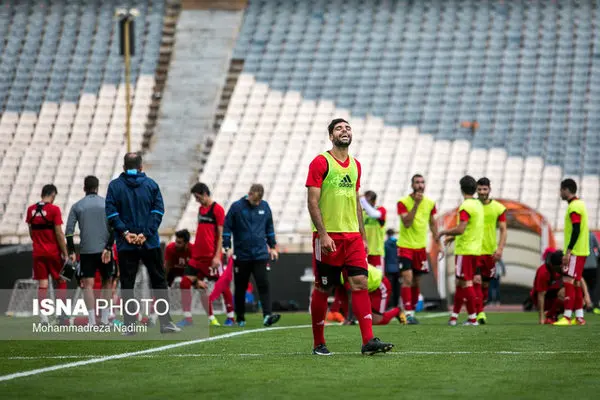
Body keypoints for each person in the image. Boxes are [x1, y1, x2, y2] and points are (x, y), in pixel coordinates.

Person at [306, 118, 393, 356]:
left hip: (353, 237)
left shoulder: (356, 165)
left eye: (347, 128)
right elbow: (312, 202)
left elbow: (356, 203)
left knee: (360, 283)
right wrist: (323, 234)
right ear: (331, 136)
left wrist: (362, 237)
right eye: (338, 128)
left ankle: (368, 341)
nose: (344, 131)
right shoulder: (320, 162)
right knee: (324, 288)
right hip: (328, 237)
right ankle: (318, 343)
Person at [105, 152, 179, 334]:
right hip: (150, 242)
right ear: (141, 167)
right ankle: (165, 323)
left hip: (126, 243)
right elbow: (158, 211)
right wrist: (146, 234)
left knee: (127, 284)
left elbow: (111, 213)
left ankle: (130, 326)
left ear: (124, 167)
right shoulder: (151, 185)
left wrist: (126, 233)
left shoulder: (114, 186)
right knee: (159, 282)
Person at [223, 183, 280, 327]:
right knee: (240, 287)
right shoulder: (237, 207)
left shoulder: (265, 207)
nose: (257, 203)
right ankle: (240, 317)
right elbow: (227, 227)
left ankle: (267, 316)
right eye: (255, 200)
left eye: (259, 201)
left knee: (264, 284)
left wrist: (273, 247)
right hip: (242, 255)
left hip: (260, 254)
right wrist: (227, 246)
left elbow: (269, 228)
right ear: (249, 194)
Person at [178, 183, 234, 327]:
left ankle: (231, 317)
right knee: (185, 283)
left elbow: (220, 235)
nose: (196, 200)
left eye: (197, 197)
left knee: (222, 285)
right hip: (197, 257)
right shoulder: (201, 209)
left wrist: (217, 256)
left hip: (211, 256)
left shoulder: (218, 210)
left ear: (204, 193)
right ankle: (193, 318)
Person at [65, 176, 115, 326]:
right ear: (97, 187)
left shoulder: (77, 206)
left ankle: (92, 321)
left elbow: (69, 231)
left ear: (84, 188)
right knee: (107, 282)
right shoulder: (107, 204)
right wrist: (109, 247)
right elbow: (114, 228)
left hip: (86, 251)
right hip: (105, 251)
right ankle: (105, 320)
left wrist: (71, 251)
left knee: (88, 284)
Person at [438, 175, 484, 326]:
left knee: (466, 284)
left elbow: (461, 229)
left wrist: (444, 232)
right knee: (460, 282)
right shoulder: (478, 205)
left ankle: (472, 318)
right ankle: (454, 317)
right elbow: (470, 228)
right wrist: (452, 238)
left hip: (465, 250)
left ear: (461, 189)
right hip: (475, 250)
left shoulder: (465, 206)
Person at [397, 174, 440, 324]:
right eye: (417, 182)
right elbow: (407, 223)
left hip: (420, 248)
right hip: (405, 246)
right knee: (407, 278)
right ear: (412, 185)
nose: (420, 185)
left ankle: (412, 311)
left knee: (416, 280)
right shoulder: (403, 202)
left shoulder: (430, 203)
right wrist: (415, 204)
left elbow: (433, 223)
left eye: (422, 182)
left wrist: (438, 242)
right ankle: (408, 312)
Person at [26, 184, 69, 325]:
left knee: (43, 284)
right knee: (61, 281)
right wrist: (65, 253)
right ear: (53, 195)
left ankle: (43, 318)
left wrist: (39, 243)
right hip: (53, 253)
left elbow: (31, 232)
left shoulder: (30, 210)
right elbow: (59, 233)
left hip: (38, 253)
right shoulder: (54, 209)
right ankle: (61, 315)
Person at [554, 179, 590, 326]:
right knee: (575, 283)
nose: (560, 193)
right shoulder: (580, 204)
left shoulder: (574, 207)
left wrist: (568, 251)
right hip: (581, 250)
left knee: (568, 281)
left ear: (566, 190)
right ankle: (579, 317)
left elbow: (576, 229)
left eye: (561, 190)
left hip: (575, 251)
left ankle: (567, 317)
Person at [474, 177, 507, 324]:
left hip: (490, 252)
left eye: (484, 189)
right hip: (474, 251)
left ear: (489, 189)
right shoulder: (471, 206)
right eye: (479, 189)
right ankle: (478, 313)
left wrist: (500, 249)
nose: (482, 192)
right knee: (476, 281)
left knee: (485, 285)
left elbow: (503, 230)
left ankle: (479, 309)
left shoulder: (498, 208)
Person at [531, 248, 565, 324]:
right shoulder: (543, 272)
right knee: (564, 293)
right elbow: (541, 295)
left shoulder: (564, 267)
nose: (564, 267)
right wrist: (541, 318)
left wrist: (586, 297)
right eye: (561, 266)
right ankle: (549, 315)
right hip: (545, 299)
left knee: (573, 296)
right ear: (554, 266)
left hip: (555, 295)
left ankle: (552, 315)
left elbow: (579, 279)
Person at [360, 191, 387, 271]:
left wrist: (362, 200)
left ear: (374, 201)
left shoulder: (381, 210)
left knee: (377, 277)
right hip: (363, 251)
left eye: (368, 200)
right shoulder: (361, 212)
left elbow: (374, 214)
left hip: (376, 252)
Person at [583, 232, 599, 313]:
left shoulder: (579, 235)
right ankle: (593, 304)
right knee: (593, 286)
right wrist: (596, 256)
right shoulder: (592, 235)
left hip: (582, 264)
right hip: (593, 265)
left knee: (583, 286)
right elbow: (597, 247)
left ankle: (586, 305)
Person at [384, 229, 400, 308]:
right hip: (398, 268)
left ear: (387, 234)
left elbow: (384, 257)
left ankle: (389, 305)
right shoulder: (398, 243)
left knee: (390, 288)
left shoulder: (385, 244)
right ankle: (396, 305)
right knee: (397, 288)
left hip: (388, 269)